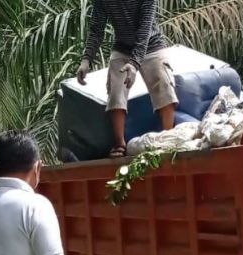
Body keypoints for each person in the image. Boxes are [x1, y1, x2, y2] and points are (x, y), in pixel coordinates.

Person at [76, 0, 178, 158]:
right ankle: (119, 143)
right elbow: (97, 29)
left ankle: (169, 137)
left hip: (151, 45)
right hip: (123, 48)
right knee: (116, 90)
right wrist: (86, 60)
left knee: (163, 84)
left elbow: (144, 30)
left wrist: (135, 63)